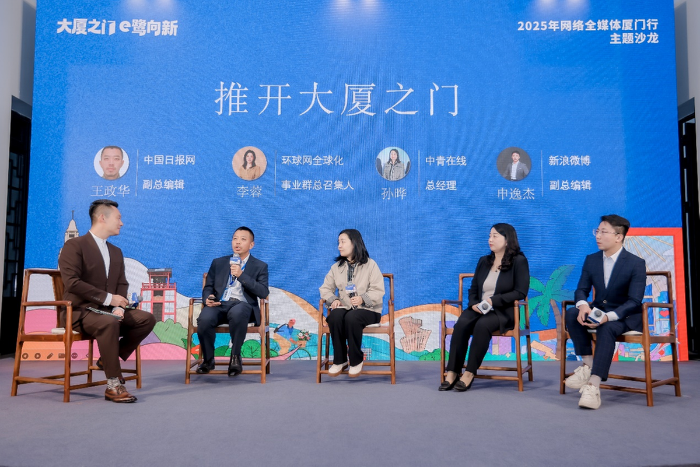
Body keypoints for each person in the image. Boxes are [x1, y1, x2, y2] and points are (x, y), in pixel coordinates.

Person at [58, 199, 156, 403]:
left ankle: (107, 359)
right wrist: (110, 299)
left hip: (108, 313)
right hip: (79, 312)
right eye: (118, 218)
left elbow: (122, 283)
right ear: (102, 218)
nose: (122, 223)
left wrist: (119, 307)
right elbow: (72, 283)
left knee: (146, 319)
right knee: (109, 322)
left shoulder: (116, 251)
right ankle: (114, 385)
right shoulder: (74, 246)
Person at [564, 214, 646, 409]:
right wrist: (583, 305)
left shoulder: (636, 263)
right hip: (599, 311)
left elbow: (634, 301)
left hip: (624, 316)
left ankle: (593, 385)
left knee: (607, 328)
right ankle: (588, 364)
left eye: (603, 232)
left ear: (618, 237)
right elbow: (581, 290)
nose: (598, 236)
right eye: (597, 231)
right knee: (572, 313)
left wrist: (608, 317)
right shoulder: (591, 260)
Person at [439, 223, 529, 392]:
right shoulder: (484, 261)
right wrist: (474, 304)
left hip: (503, 311)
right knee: (461, 324)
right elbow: (473, 288)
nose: (490, 239)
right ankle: (452, 372)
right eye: (489, 236)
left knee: (482, 325)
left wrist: (494, 301)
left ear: (507, 239)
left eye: (495, 236)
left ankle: (469, 373)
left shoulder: (519, 261)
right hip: (479, 308)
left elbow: (520, 292)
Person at [196, 227, 269, 377]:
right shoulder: (218, 263)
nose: (238, 242)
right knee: (204, 319)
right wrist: (208, 298)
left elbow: (263, 292)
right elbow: (208, 287)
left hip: (243, 305)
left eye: (243, 239)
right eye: (235, 238)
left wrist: (241, 275)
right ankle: (208, 360)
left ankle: (235, 358)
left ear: (251, 245)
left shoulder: (260, 266)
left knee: (238, 312)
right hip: (219, 304)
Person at [319, 229, 385, 377]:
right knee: (335, 316)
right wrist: (334, 299)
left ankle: (356, 360)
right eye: (338, 242)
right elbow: (325, 289)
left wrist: (363, 298)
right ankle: (340, 360)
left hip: (369, 310)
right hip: (346, 308)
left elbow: (378, 290)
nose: (339, 246)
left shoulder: (371, 265)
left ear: (354, 243)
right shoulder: (336, 268)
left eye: (343, 242)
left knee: (352, 317)